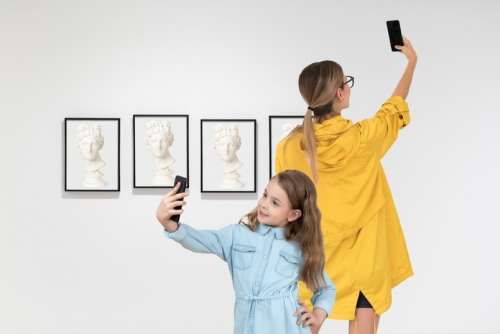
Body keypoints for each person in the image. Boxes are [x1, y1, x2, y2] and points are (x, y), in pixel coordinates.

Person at [275, 37, 417, 333]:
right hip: (364, 257)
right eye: (347, 82)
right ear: (339, 94)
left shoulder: (288, 147)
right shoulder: (362, 139)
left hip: (312, 258)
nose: (348, 87)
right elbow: (394, 109)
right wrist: (411, 61)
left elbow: (284, 205)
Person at [156, 170, 336, 334]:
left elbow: (326, 289)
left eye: (275, 202)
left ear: (293, 215)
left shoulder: (299, 248)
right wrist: (170, 224)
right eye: (265, 195)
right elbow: (200, 240)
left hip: (288, 327)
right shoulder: (237, 235)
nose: (264, 204)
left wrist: (318, 318)